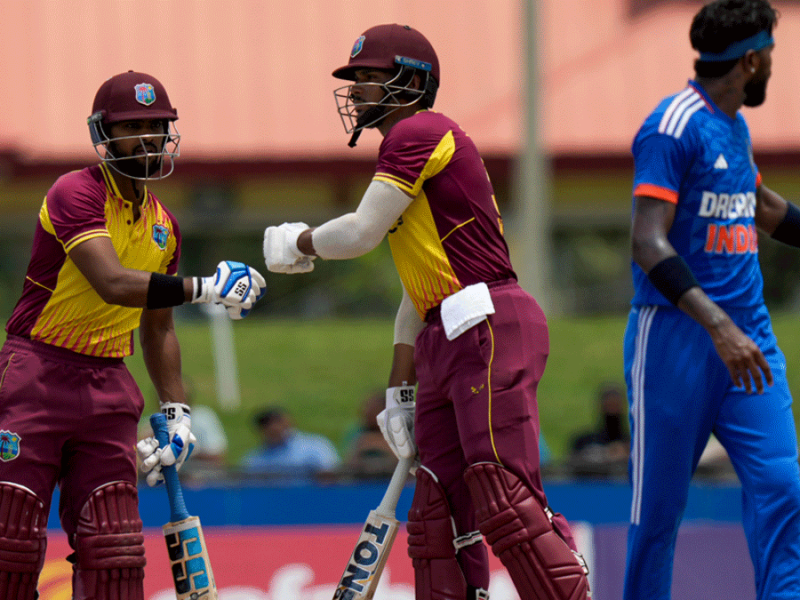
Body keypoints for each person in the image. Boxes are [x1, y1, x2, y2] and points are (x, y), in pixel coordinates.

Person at [263, 24, 590, 600]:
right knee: (438, 515)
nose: (357, 90)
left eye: (369, 77)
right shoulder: (404, 159)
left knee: (503, 494)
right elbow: (420, 290)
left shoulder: (420, 130)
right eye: (355, 79)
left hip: (489, 322)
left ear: (412, 81)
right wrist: (400, 388)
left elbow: (361, 233)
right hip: (446, 329)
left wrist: (300, 241)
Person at [0, 70, 266, 600]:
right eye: (133, 126)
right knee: (12, 542)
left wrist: (177, 412)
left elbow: (158, 325)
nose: (147, 136)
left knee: (115, 553)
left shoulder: (164, 224)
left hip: (108, 386)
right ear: (104, 135)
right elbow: (113, 283)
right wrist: (207, 287)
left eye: (157, 125)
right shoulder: (74, 191)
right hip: (37, 375)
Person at [625, 2, 800, 598]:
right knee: (658, 516)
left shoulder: (734, 126)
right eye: (772, 56)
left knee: (785, 489)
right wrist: (717, 326)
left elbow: (764, 208)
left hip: (749, 338)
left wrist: (734, 328)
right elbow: (647, 241)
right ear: (752, 60)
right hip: (677, 337)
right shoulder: (672, 126)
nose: (774, 67)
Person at [239, 406, 340, 483]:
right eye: (266, 424)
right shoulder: (255, 459)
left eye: (277, 421)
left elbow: (330, 476)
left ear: (288, 421)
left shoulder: (316, 446)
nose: (273, 427)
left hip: (312, 502)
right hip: (271, 506)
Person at [567, 383, 629, 476]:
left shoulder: (633, 444)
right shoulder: (583, 442)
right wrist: (606, 453)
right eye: (608, 405)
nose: (612, 411)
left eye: (615, 405)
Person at [341, 391, 399, 479]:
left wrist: (382, 445)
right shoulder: (358, 432)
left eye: (372, 408)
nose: (366, 412)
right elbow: (348, 463)